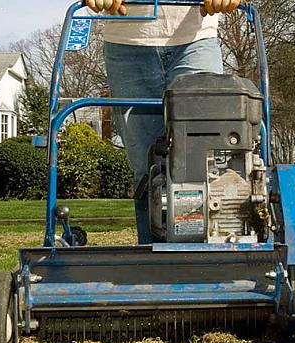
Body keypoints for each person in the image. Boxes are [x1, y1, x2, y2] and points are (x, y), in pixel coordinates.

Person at [85, 0, 241, 244]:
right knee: (146, 167)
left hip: (196, 38)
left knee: (204, 158)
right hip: (127, 45)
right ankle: (152, 265)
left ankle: (210, 257)